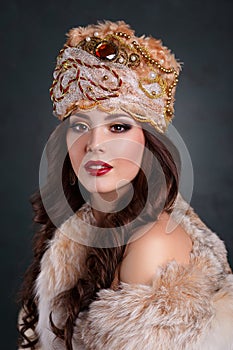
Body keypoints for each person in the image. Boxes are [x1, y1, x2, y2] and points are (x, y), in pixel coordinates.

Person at [18, 21, 233, 350]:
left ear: (149, 145)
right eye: (79, 126)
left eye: (117, 127)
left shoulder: (153, 241)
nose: (94, 144)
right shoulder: (82, 227)